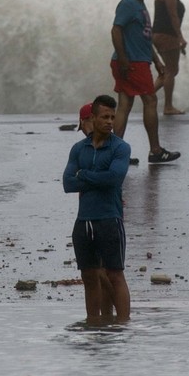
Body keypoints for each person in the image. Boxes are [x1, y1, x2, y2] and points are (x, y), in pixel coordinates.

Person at [63, 95, 132, 323]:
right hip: (84, 221)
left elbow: (114, 179)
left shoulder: (121, 147)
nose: (110, 121)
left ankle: (123, 325)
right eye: (105, 117)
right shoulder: (78, 148)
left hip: (109, 218)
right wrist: (95, 179)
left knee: (114, 275)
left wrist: (84, 175)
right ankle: (93, 323)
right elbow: (67, 183)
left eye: (113, 117)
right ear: (92, 118)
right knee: (89, 276)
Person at [110, 0, 181, 164]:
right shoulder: (128, 4)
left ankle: (114, 154)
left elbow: (144, 38)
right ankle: (155, 150)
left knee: (125, 105)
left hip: (137, 61)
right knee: (150, 100)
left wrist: (157, 61)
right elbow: (116, 30)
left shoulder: (140, 6)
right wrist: (124, 58)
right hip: (132, 62)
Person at [151, 0, 186, 116]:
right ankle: (168, 107)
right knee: (171, 70)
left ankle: (148, 94)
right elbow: (173, 16)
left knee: (167, 71)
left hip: (157, 34)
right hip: (167, 35)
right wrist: (180, 37)